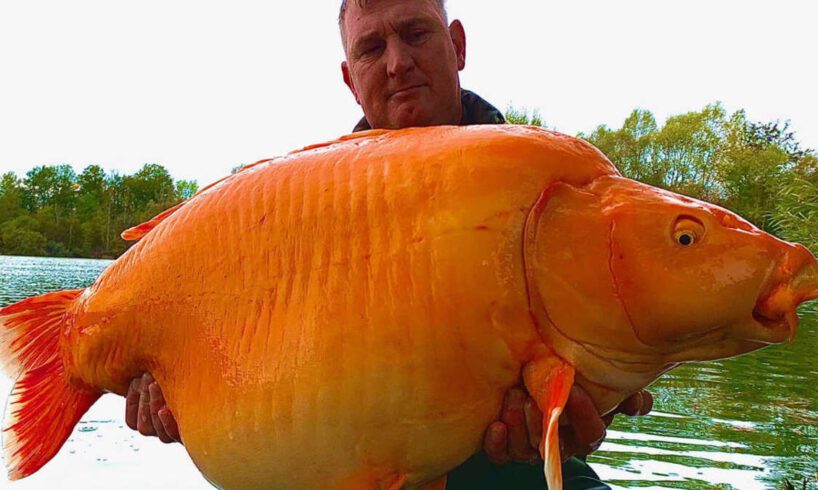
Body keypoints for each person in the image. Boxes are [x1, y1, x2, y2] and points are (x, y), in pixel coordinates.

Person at [125, 1, 654, 488]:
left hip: (517, 473)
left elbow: (621, 364)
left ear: (458, 45)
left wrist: (602, 400)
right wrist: (182, 399)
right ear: (350, 80)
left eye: (415, 33)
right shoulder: (299, 207)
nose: (397, 62)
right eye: (371, 48)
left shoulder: (547, 186)